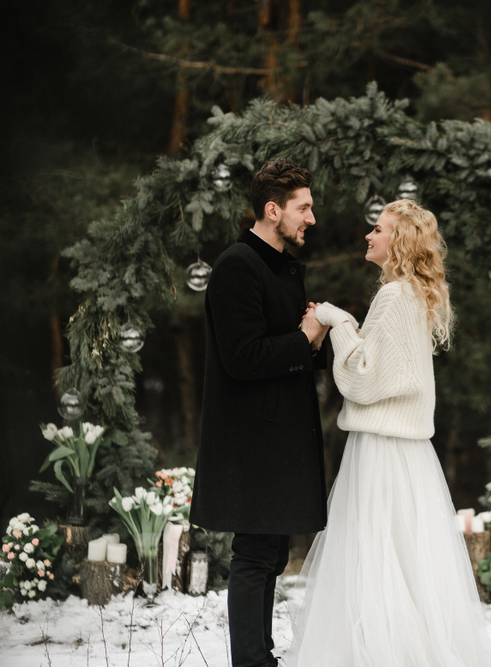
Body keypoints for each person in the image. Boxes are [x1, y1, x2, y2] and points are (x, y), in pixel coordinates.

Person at [282, 199, 491, 667]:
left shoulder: (396, 296)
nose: (369, 236)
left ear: (398, 240)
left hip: (382, 447)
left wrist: (336, 320)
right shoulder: (410, 296)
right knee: (403, 555)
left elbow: (364, 379)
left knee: (375, 553)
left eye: (378, 230)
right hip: (406, 449)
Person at [190, 160, 331, 667]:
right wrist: (304, 338)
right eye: (303, 207)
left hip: (281, 436)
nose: (311, 218)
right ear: (273, 211)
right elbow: (243, 357)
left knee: (271, 553)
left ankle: (261, 658)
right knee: (254, 554)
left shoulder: (283, 267)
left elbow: (289, 350)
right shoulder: (237, 265)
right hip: (252, 441)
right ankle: (251, 663)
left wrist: (313, 341)